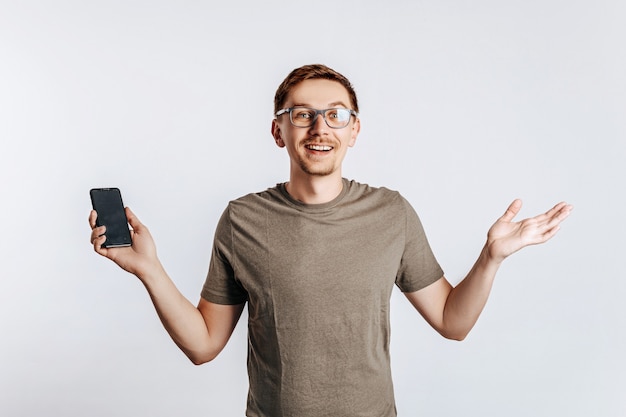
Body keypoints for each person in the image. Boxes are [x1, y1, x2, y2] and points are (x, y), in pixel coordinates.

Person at [89, 64, 572, 416]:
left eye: (336, 115)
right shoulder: (242, 219)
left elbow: (452, 322)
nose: (320, 128)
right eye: (301, 115)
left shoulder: (391, 213)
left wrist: (491, 258)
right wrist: (149, 269)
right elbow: (204, 345)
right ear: (278, 131)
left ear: (354, 130)